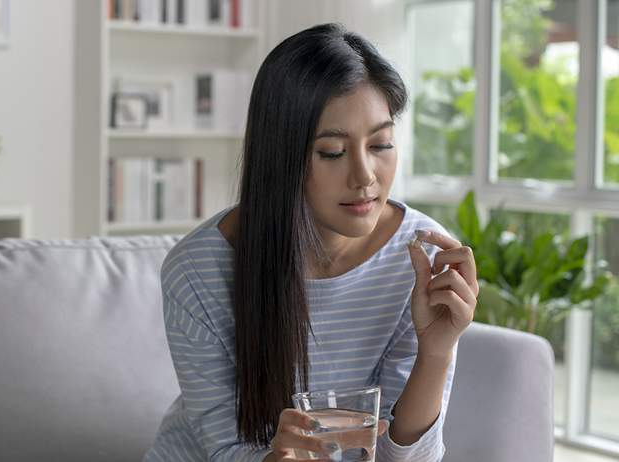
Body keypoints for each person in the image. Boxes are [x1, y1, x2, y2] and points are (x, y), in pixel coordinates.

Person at [143, 22, 478, 462]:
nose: (365, 177)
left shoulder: (418, 259)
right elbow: (224, 450)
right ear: (282, 157)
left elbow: (407, 459)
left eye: (381, 144)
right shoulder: (198, 270)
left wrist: (437, 351)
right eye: (333, 152)